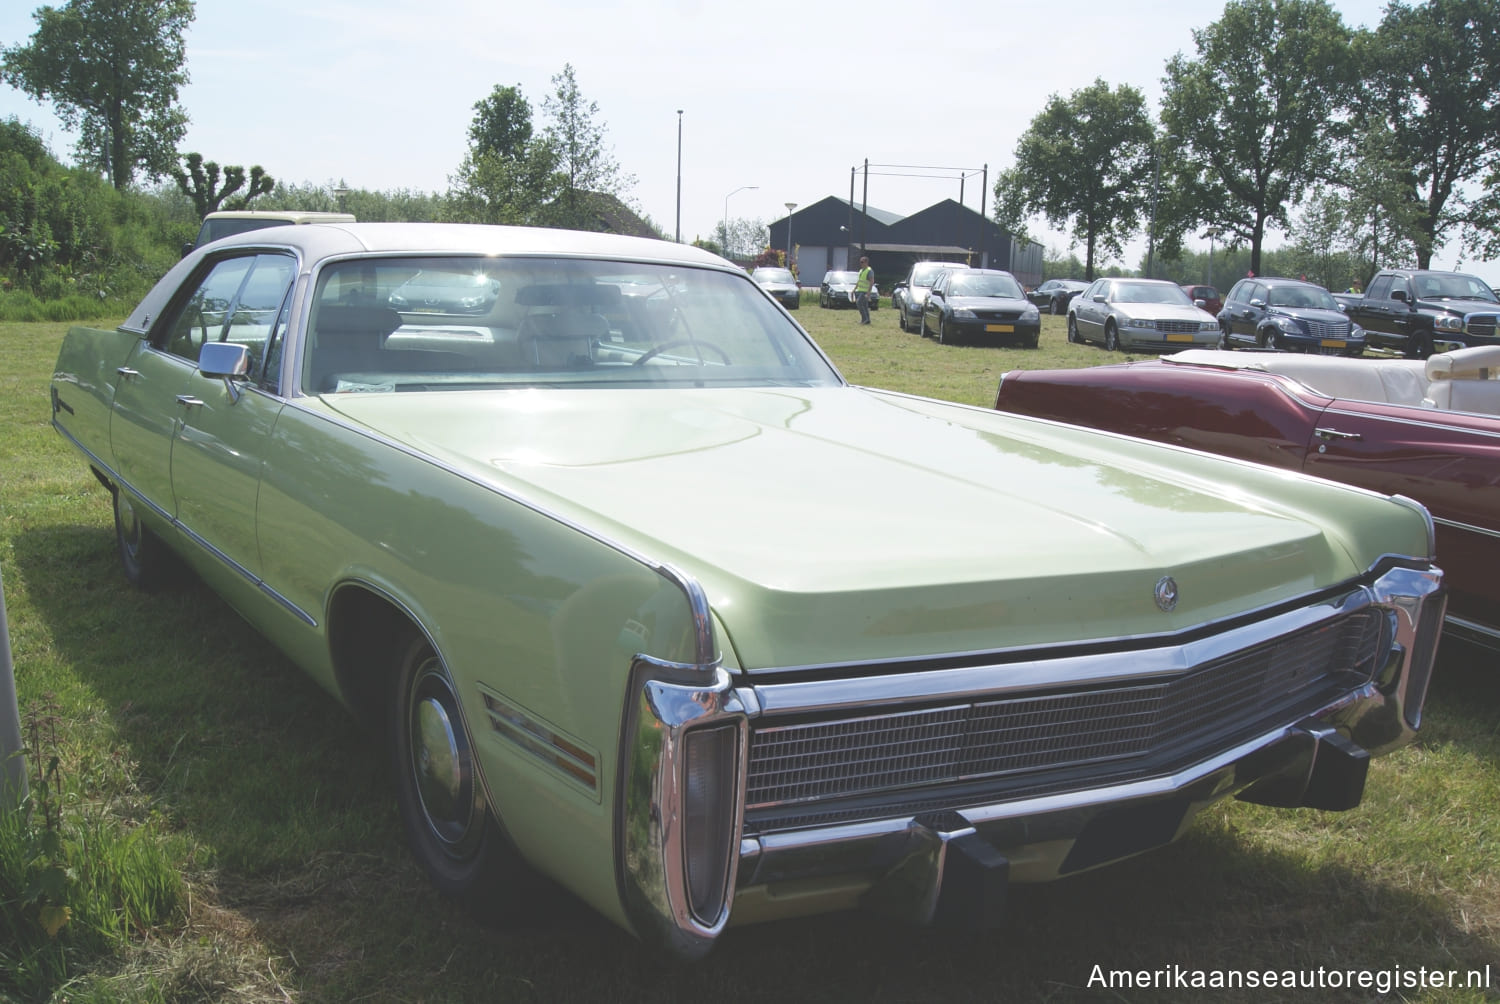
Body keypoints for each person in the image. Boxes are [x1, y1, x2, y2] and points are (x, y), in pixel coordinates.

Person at [854, 255, 874, 324]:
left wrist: (869, 292)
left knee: (859, 303)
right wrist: (854, 289)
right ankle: (867, 320)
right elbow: (859, 281)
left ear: (866, 262)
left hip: (865, 292)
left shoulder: (869, 271)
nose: (861, 263)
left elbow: (871, 281)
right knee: (865, 305)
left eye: (862, 262)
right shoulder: (861, 271)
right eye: (860, 262)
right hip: (860, 290)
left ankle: (864, 319)